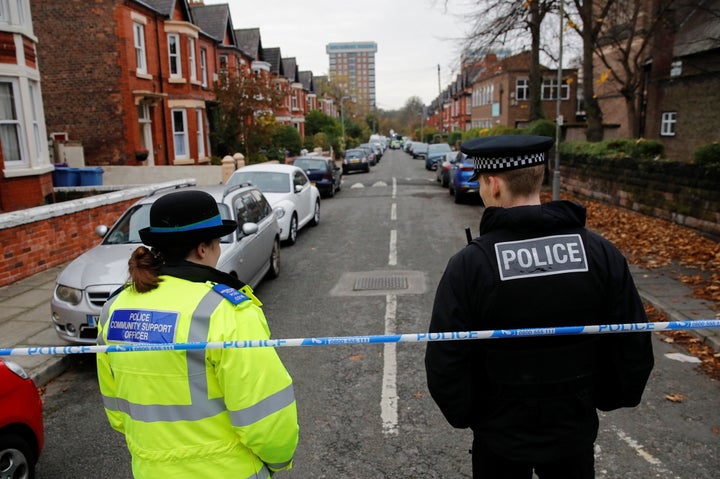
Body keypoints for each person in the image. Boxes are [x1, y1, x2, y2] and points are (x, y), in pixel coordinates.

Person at [424, 135, 654, 479]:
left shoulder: (470, 265)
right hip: (573, 431)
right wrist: (601, 397)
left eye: (481, 183)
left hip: (498, 436)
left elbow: (446, 359)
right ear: (539, 177)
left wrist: (471, 415)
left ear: (495, 185)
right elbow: (632, 340)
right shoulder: (600, 253)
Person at [96, 189, 299, 479]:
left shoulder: (115, 307)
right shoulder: (226, 310)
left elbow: (116, 409)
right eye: (217, 242)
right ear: (203, 248)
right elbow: (267, 417)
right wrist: (279, 461)